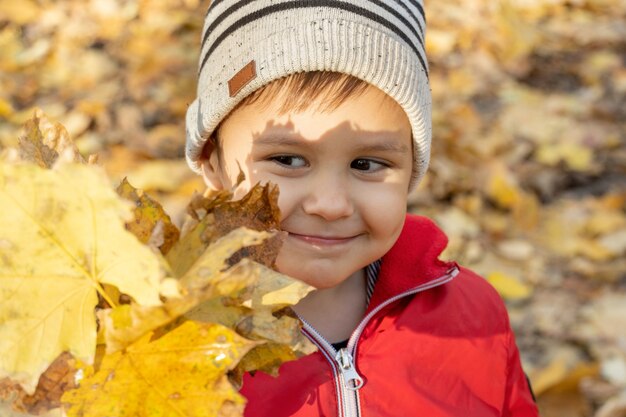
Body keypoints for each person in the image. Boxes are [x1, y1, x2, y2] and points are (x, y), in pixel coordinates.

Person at [185, 1, 539, 416]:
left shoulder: (473, 314)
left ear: (411, 168)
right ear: (212, 161)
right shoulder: (162, 334)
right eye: (288, 160)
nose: (331, 205)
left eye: (367, 164)